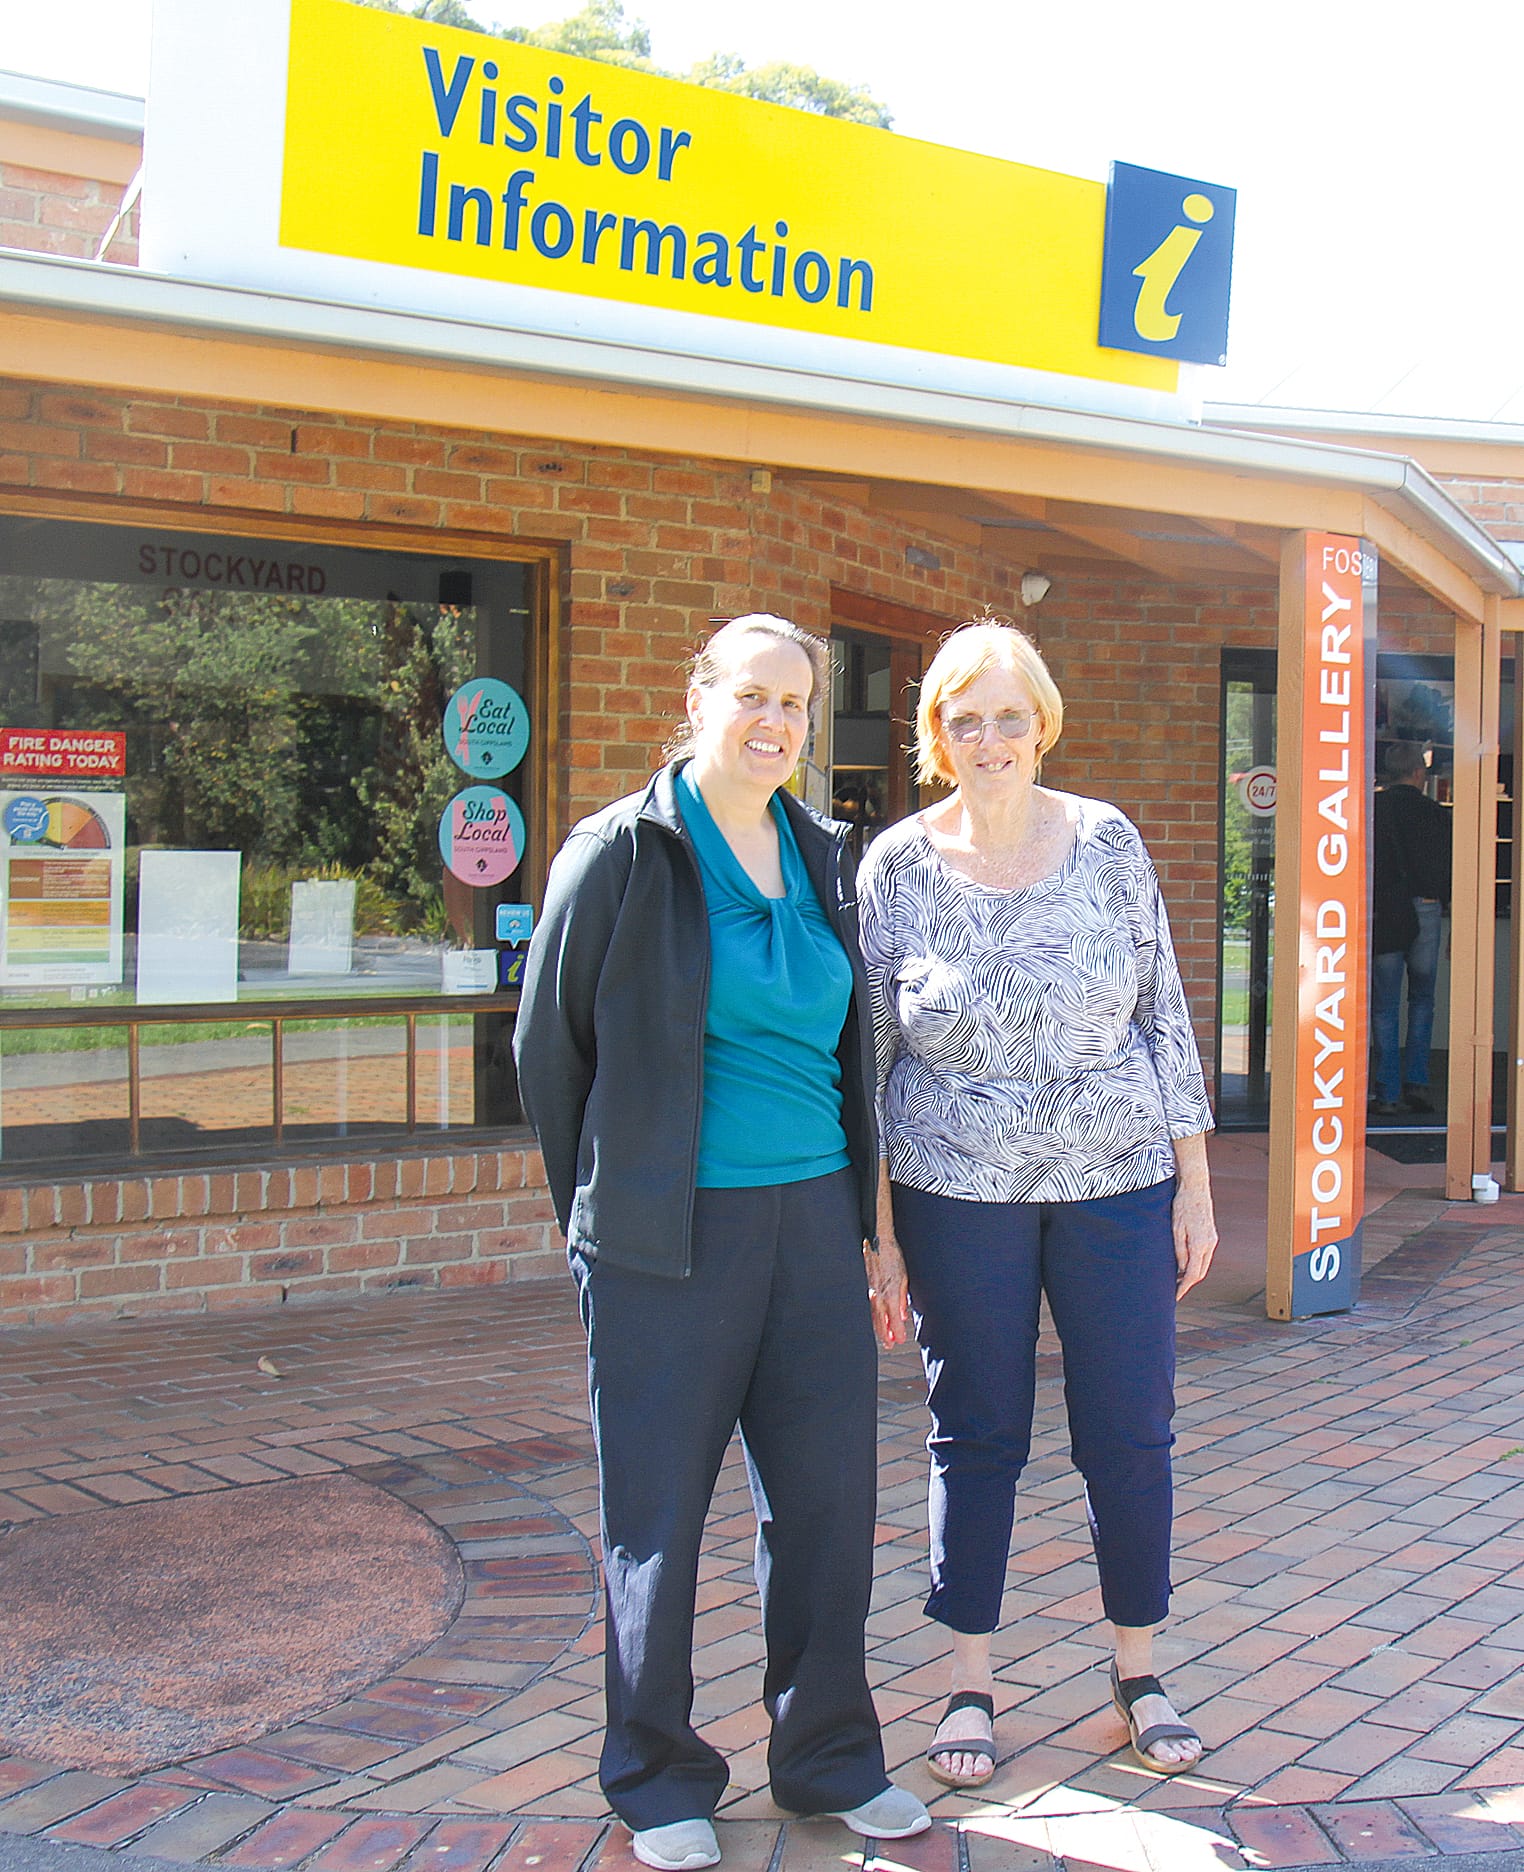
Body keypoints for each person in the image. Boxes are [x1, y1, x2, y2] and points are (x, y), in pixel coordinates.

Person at [513, 616, 930, 1871]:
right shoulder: (622, 851)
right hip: (663, 1236)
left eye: (796, 704)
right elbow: (549, 1054)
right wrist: (607, 1216)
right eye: (750, 696)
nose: (775, 723)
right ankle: (657, 1777)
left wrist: (864, 1227)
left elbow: (852, 1048)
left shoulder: (823, 852)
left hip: (813, 1224)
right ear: (698, 699)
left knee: (825, 1508)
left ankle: (828, 1761)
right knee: (658, 1513)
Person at [857, 619, 1218, 1787]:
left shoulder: (1107, 841)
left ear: (1043, 721)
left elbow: (1163, 1010)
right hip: (957, 1190)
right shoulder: (896, 867)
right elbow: (867, 1065)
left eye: (1011, 716)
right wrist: (884, 1235)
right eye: (967, 718)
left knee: (1129, 1426)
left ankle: (1139, 1667)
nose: (991, 738)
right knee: (977, 1434)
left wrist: (1195, 1186)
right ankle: (971, 1677)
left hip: (1119, 1182)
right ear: (937, 734)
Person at [1370, 740, 1450, 1117]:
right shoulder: (1433, 813)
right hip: (1427, 911)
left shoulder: (1373, 809)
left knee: (1384, 1006)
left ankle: (1387, 1092)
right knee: (1422, 1000)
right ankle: (1416, 1082)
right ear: (1419, 773)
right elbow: (1446, 870)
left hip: (1386, 912)